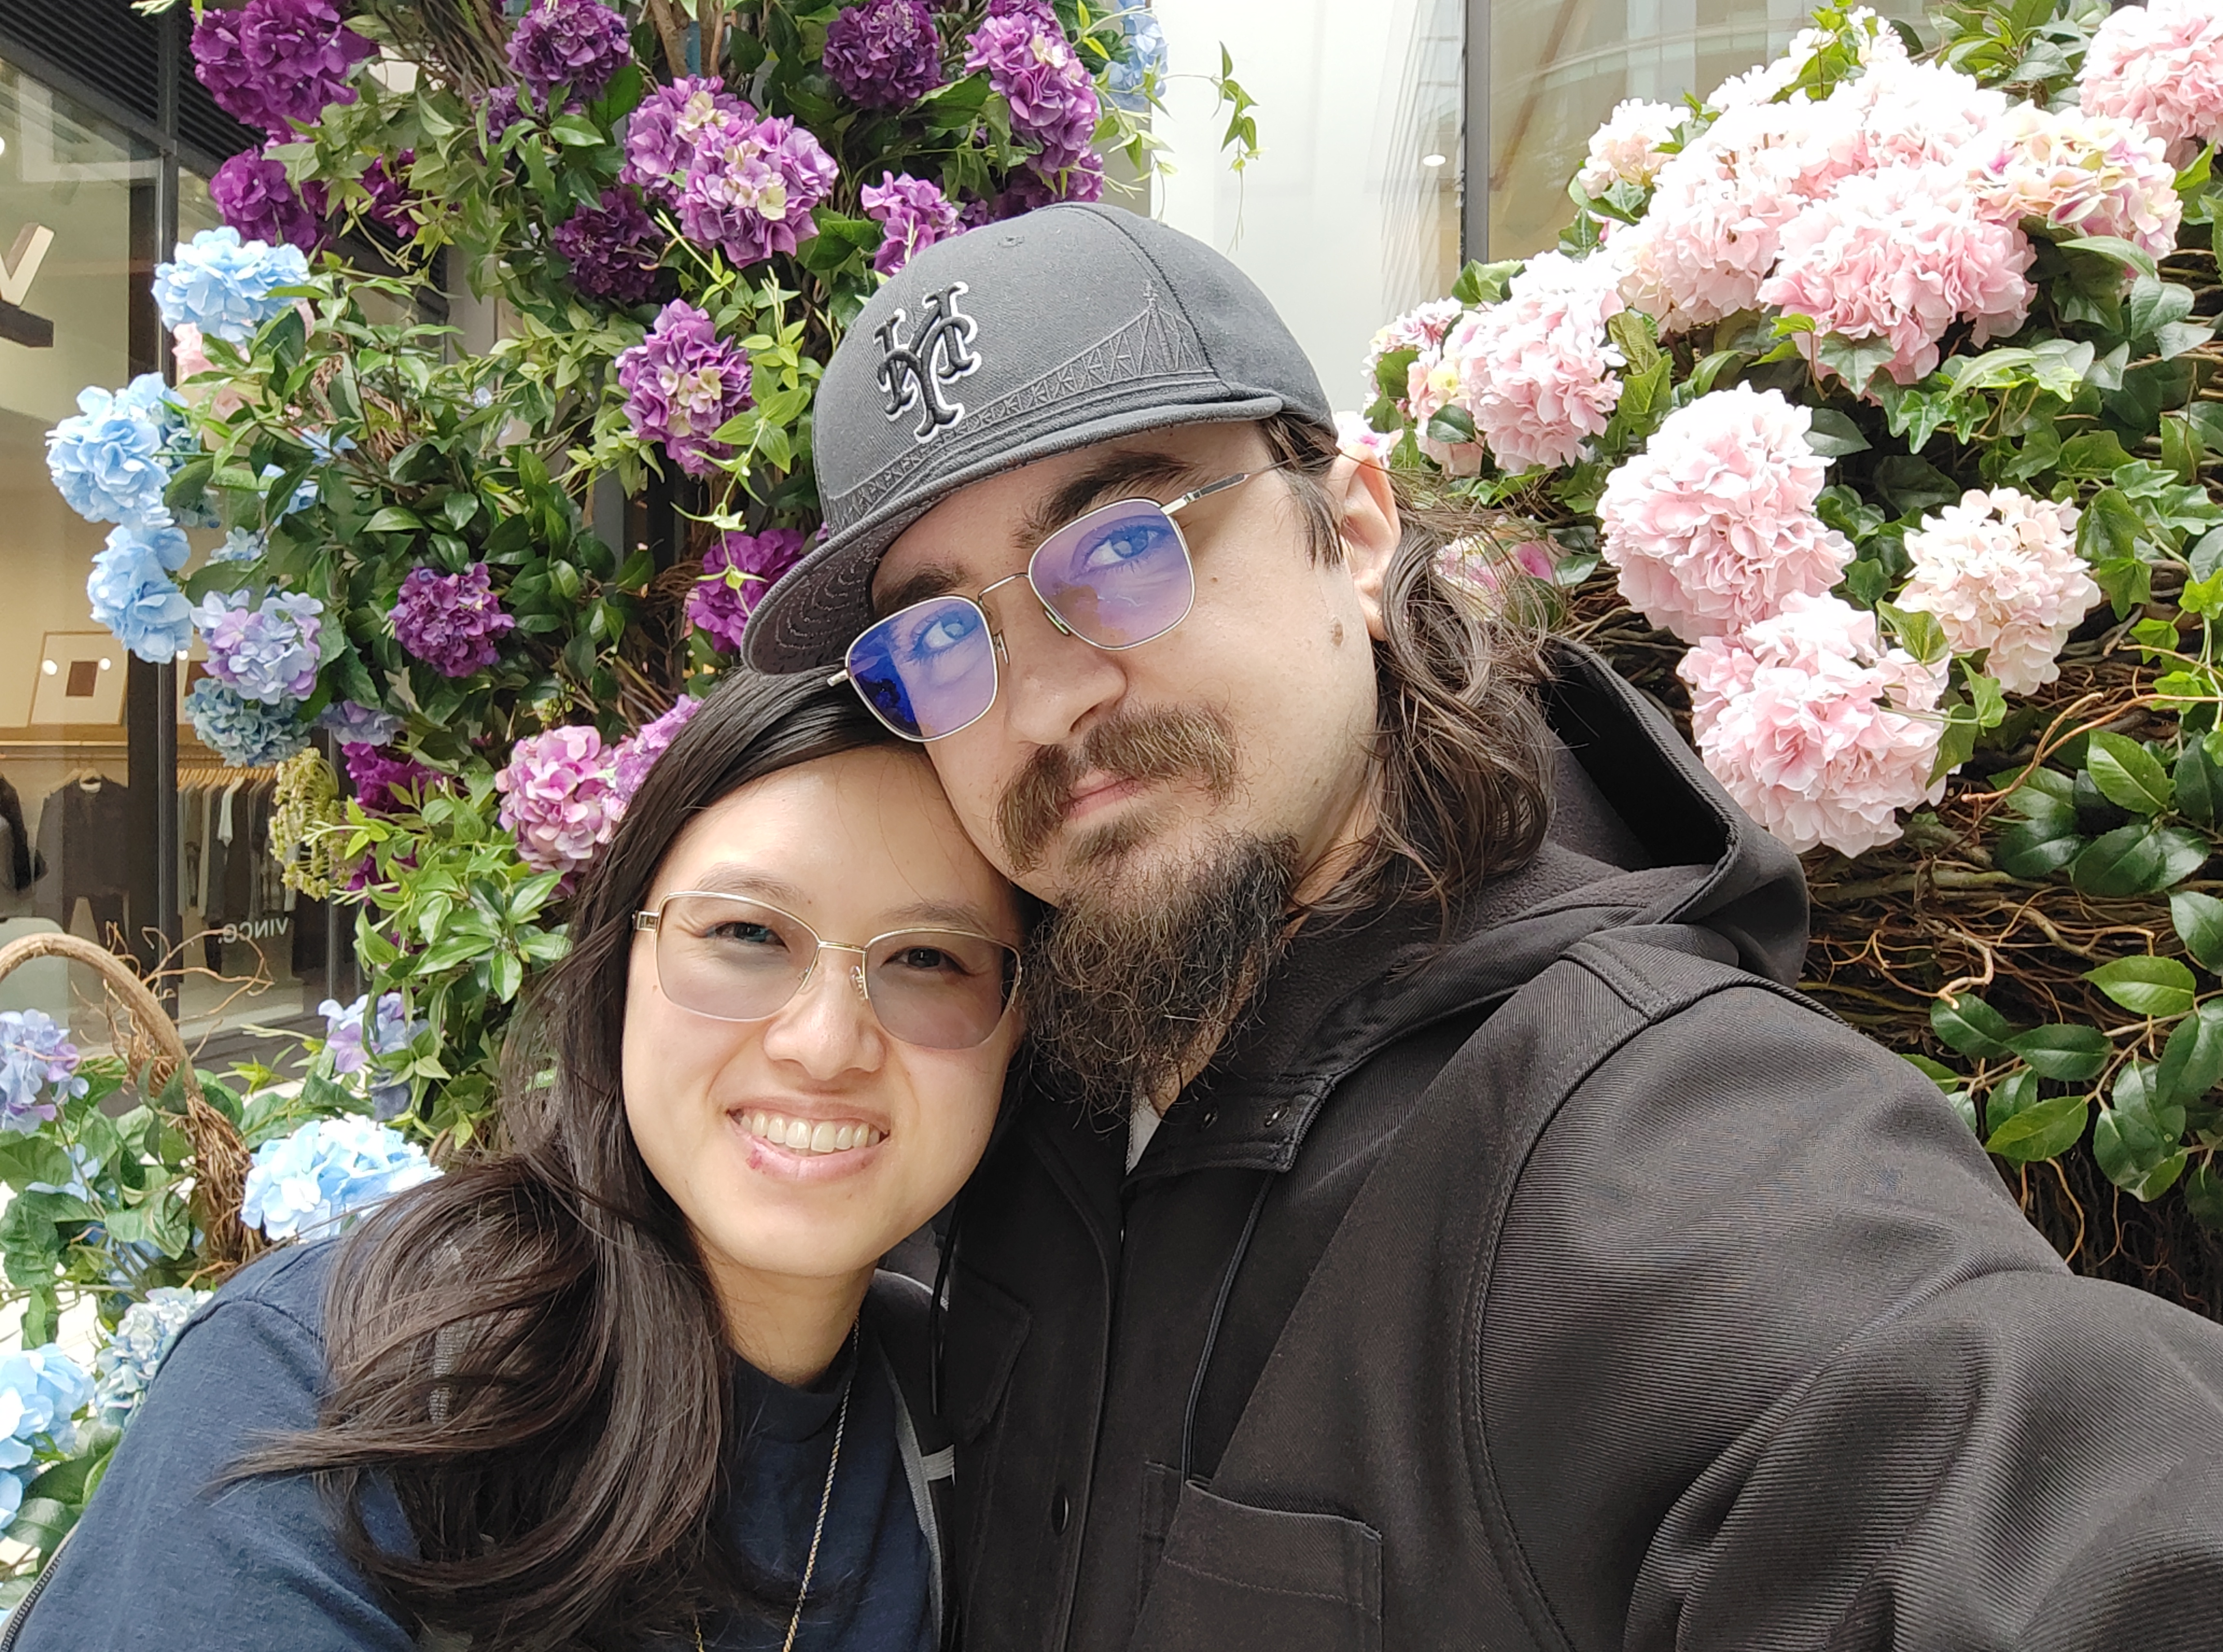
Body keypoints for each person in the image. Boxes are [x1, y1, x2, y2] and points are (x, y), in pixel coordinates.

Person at [741, 202, 2223, 1651]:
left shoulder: (1642, 1135)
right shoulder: (1004, 1069)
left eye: (1127, 552)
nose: (1044, 702)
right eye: (943, 640)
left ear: (1360, 533)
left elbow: (2004, 1486)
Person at [10, 669, 1026, 1651]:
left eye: (928, 958)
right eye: (748, 932)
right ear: (619, 967)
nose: (825, 1044)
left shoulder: (971, 1421)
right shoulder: (336, 1382)